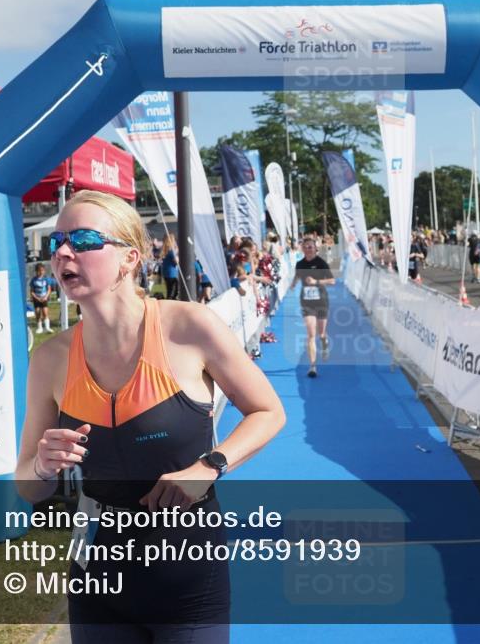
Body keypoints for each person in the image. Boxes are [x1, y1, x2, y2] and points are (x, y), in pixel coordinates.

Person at [16, 190, 285, 642]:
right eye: (57, 241)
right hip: (98, 575)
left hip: (188, 575)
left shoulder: (188, 327)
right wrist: (43, 465)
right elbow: (26, 485)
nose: (63, 251)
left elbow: (268, 411)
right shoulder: (52, 359)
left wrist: (209, 467)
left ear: (129, 259)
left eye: (82, 239)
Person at [292, 235, 335, 378]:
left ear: (315, 248)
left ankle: (324, 342)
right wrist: (293, 284)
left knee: (321, 334)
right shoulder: (300, 264)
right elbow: (298, 275)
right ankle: (313, 366)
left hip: (321, 301)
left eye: (311, 247)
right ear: (302, 249)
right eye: (306, 247)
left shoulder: (321, 263)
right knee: (311, 335)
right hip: (307, 302)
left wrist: (316, 281)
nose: (308, 249)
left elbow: (332, 281)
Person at [29, 263, 53, 334]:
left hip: (44, 299)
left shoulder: (46, 279)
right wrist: (36, 298)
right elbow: (32, 291)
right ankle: (39, 328)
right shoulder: (33, 280)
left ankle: (47, 327)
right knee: (37, 312)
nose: (41, 272)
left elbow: (49, 289)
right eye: (39, 271)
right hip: (37, 299)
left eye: (42, 270)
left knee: (45, 312)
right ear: (36, 271)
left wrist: (46, 297)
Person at [160, 233, 180, 301]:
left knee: (169, 291)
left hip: (167, 273)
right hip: (172, 274)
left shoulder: (166, 250)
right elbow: (176, 262)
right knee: (173, 293)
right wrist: (177, 253)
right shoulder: (171, 251)